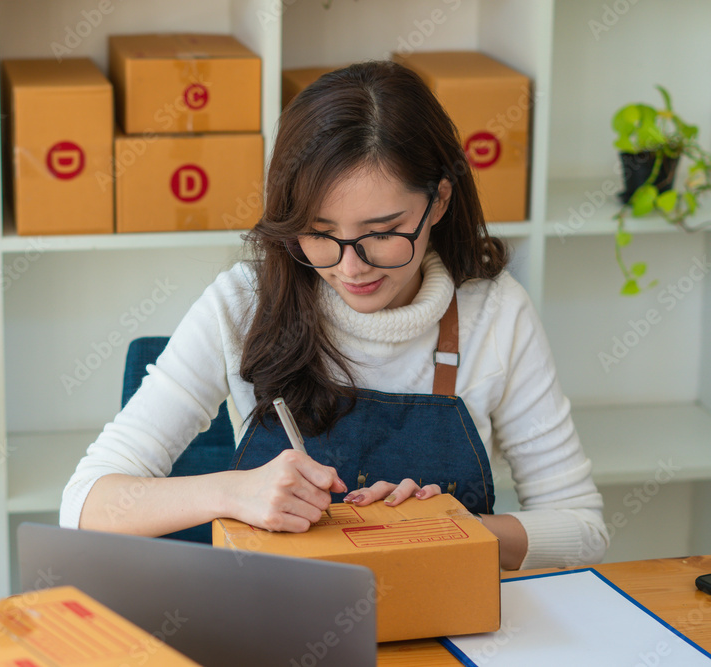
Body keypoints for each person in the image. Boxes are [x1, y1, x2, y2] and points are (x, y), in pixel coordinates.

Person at [60, 60, 608, 570]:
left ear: (438, 201)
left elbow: (583, 530)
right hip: (282, 625)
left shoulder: (497, 313)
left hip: (442, 622)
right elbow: (85, 504)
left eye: (382, 233)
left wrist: (450, 529)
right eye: (320, 234)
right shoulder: (244, 303)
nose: (351, 267)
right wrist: (232, 490)